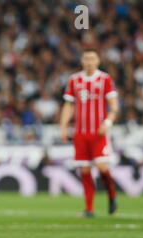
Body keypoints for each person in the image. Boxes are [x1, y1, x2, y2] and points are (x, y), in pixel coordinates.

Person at [60, 48, 119, 217]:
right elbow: (68, 105)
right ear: (82, 61)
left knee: (101, 167)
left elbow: (114, 105)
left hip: (98, 133)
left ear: (98, 61)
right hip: (80, 133)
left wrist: (107, 122)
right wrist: (63, 126)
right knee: (84, 170)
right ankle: (89, 208)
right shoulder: (74, 80)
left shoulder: (105, 79)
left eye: (92, 58)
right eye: (86, 58)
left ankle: (112, 195)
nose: (89, 61)